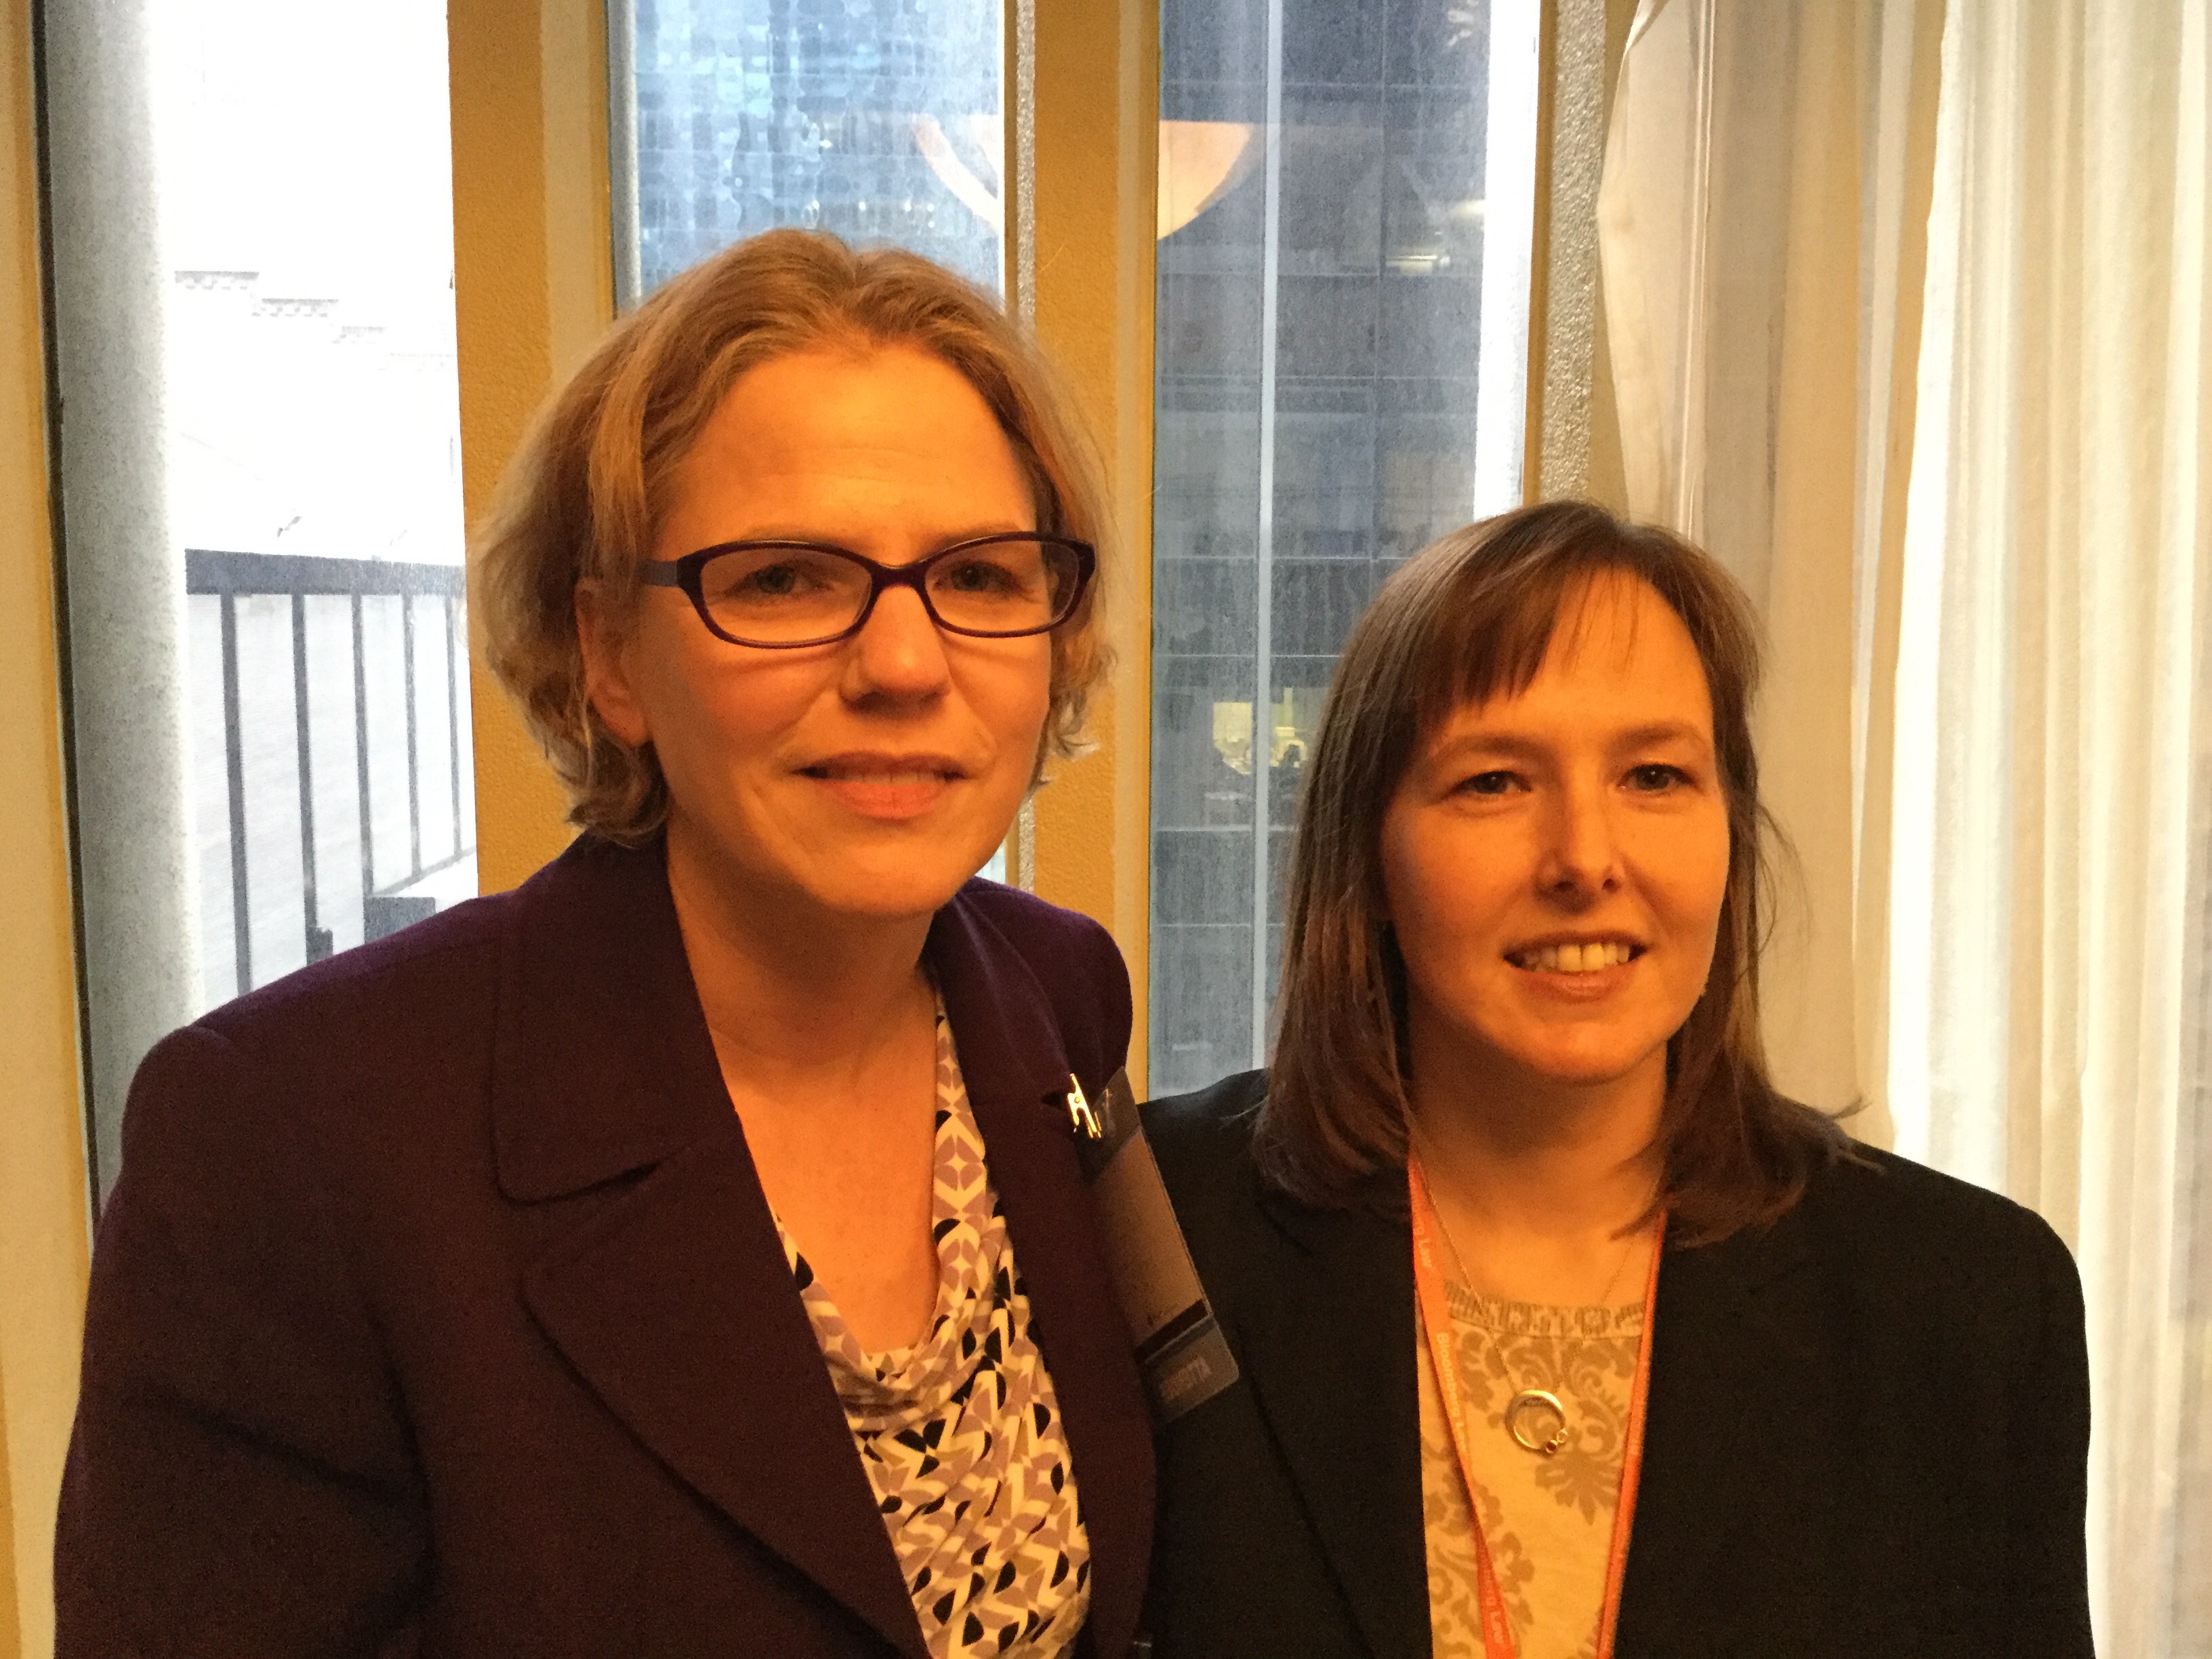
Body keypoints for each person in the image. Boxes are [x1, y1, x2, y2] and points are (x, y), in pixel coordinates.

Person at [57, 230, 1153, 1659]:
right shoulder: (292, 1141)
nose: (902, 663)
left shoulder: (1056, 996)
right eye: (784, 580)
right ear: (611, 656)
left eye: (986, 576)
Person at [1141, 501, 2091, 1659]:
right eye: (1495, 781)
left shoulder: (1971, 1305)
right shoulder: (1145, 1235)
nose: (1586, 860)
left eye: (1654, 775)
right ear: (1369, 854)